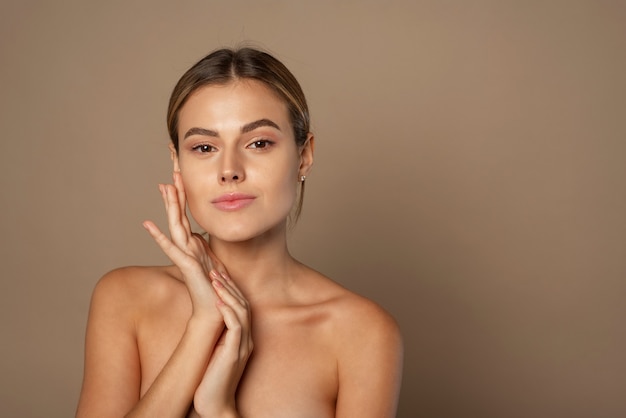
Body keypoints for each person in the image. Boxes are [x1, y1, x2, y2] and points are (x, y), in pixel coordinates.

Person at [76, 47, 403, 418]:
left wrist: (219, 410)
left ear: (304, 155)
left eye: (258, 143)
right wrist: (203, 327)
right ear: (176, 162)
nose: (229, 170)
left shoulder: (361, 333)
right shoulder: (125, 299)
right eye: (204, 147)